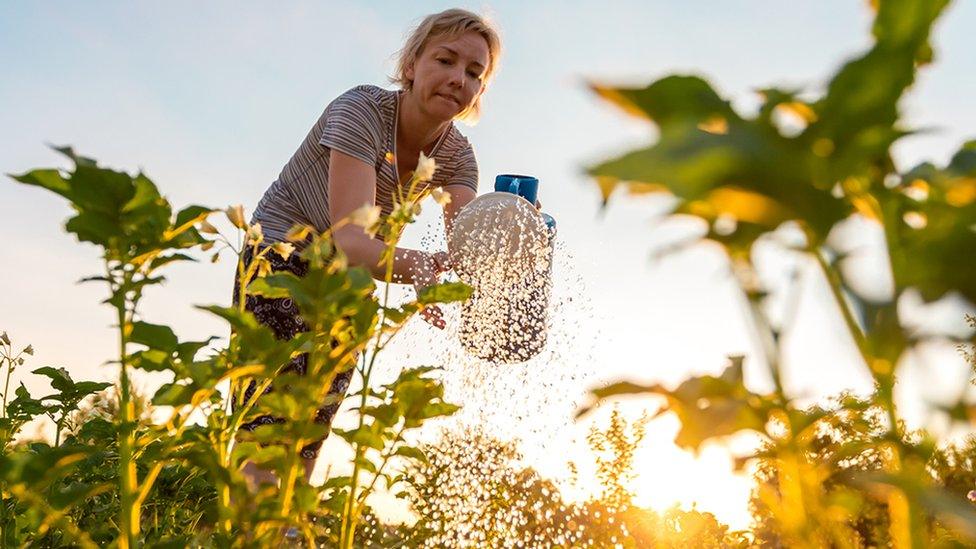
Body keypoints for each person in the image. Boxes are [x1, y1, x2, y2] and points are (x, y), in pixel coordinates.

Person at [235, 8, 503, 492]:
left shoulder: (458, 155)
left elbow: (468, 247)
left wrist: (515, 226)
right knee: (270, 414)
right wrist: (419, 267)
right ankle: (246, 530)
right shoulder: (361, 111)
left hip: (352, 276)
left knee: (315, 417)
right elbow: (351, 239)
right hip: (282, 251)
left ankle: (282, 532)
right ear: (411, 64)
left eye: (474, 73)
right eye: (445, 60)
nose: (458, 79)